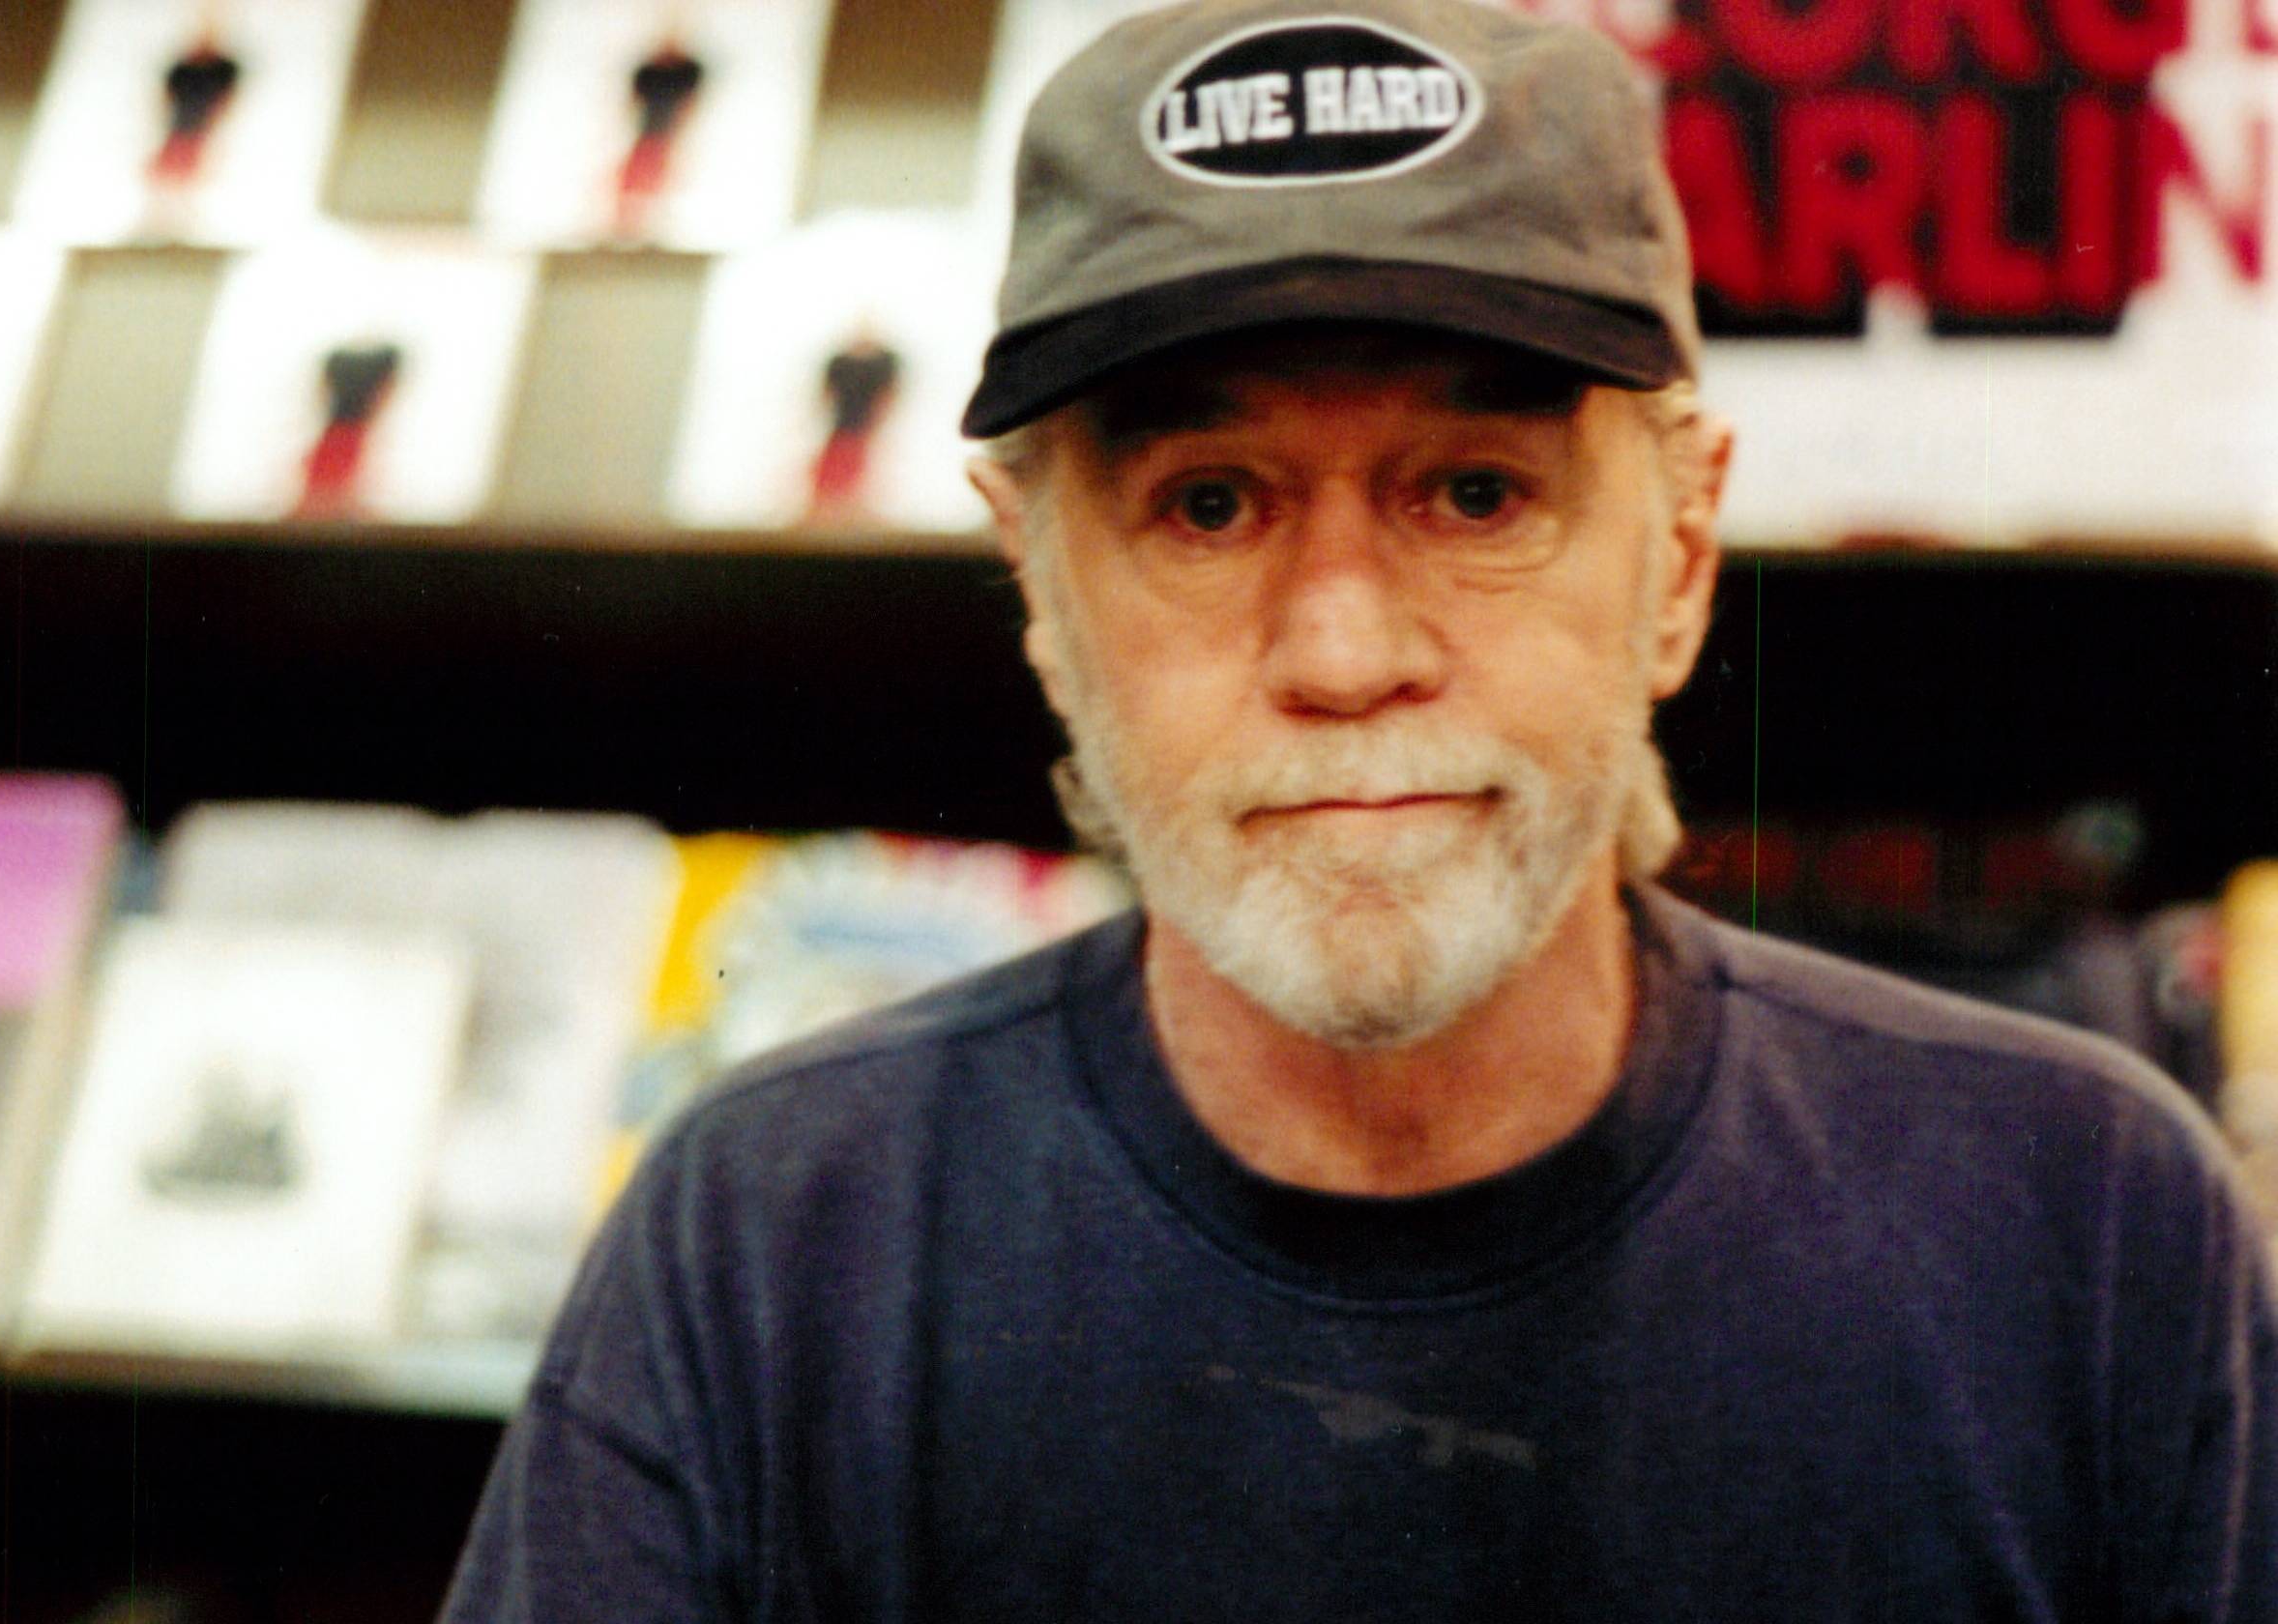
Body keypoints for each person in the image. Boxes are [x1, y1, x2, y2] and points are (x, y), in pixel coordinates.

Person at [440, 0, 2278, 1616]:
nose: (1342, 652)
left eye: (1476, 494)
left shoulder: (2086, 1226)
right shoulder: (773, 1240)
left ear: (1680, 557)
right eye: (1209, 505)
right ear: (1043, 593)